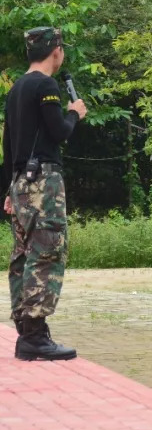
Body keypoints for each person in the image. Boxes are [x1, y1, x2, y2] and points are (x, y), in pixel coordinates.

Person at [2, 27, 86, 360]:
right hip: (44, 183)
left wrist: (7, 189)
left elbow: (8, 147)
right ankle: (35, 336)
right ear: (57, 52)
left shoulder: (16, 89)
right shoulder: (46, 85)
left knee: (23, 255)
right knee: (47, 250)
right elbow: (59, 132)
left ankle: (26, 331)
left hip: (21, 182)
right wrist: (74, 113)